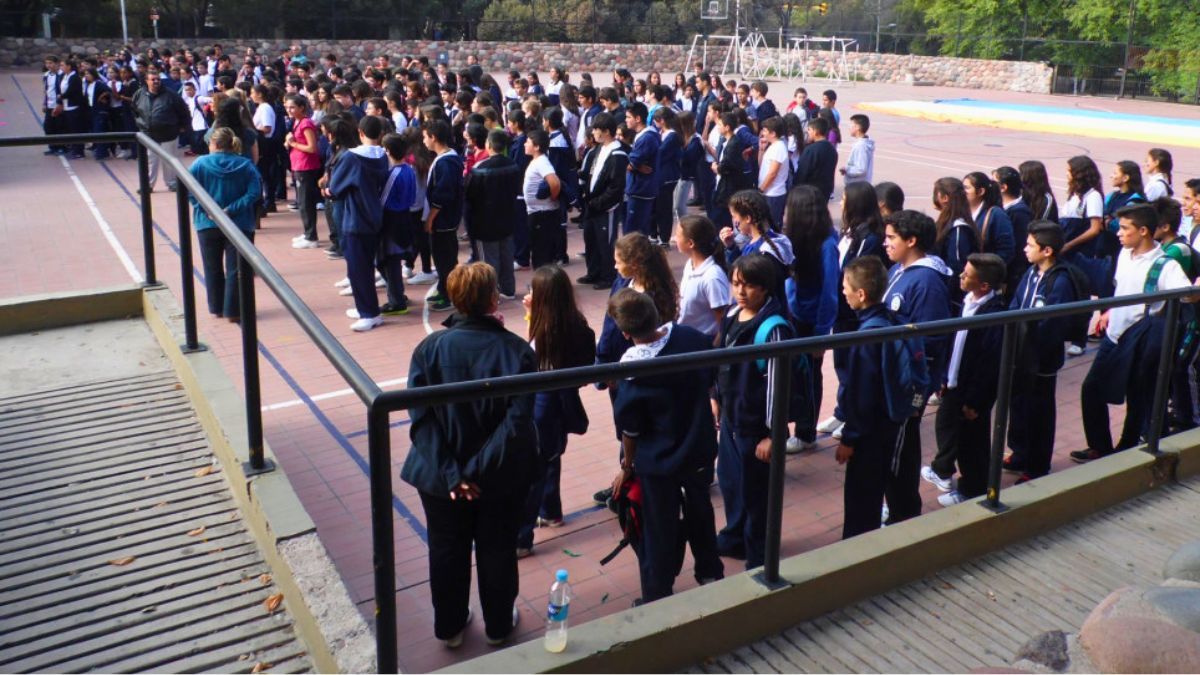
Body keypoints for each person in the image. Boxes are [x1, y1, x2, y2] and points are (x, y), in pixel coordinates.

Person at [401, 262, 538, 650]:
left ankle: (450, 626)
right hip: (498, 478)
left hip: (439, 478)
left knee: (446, 550)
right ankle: (497, 625)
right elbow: (516, 424)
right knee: (496, 548)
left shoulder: (428, 350)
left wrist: (452, 474)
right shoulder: (516, 352)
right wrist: (474, 472)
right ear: (493, 298)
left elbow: (420, 420)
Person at [608, 289, 724, 603]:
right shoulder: (691, 338)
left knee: (659, 528)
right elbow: (712, 373)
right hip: (698, 448)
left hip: (658, 463)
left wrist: (626, 467)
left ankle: (658, 592)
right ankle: (711, 572)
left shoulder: (632, 370)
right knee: (701, 512)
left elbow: (630, 429)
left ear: (625, 332)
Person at [1074, 204, 1192, 463]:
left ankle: (1128, 446)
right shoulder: (1124, 254)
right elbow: (1121, 288)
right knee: (1091, 388)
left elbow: (1187, 294)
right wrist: (1108, 312)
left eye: (1125, 229)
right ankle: (1100, 446)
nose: (1119, 233)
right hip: (1113, 337)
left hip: (1138, 340)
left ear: (1143, 231)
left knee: (1137, 396)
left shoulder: (1166, 266)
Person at [714, 253, 794, 569]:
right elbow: (721, 362)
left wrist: (773, 434)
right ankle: (735, 538)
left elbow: (777, 386)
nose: (741, 292)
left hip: (755, 429)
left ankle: (759, 556)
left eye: (748, 286)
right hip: (732, 420)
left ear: (765, 288)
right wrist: (715, 398)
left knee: (756, 495)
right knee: (732, 483)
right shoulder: (734, 315)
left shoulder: (774, 329)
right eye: (736, 284)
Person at [517, 266, 596, 556]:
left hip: (543, 403)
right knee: (551, 457)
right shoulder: (577, 324)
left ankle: (522, 537)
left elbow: (531, 356)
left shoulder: (547, 329)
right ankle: (551, 511)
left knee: (533, 469)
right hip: (564, 400)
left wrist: (530, 316)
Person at [882, 210, 952, 524]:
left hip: (911, 385)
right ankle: (897, 502)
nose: (886, 243)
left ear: (912, 241)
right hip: (898, 378)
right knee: (898, 439)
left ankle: (903, 510)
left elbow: (931, 340)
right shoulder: (901, 271)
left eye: (891, 238)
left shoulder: (926, 282)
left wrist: (916, 390)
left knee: (902, 442)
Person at [926, 253, 1007, 505]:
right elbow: (955, 343)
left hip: (971, 391)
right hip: (954, 381)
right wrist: (944, 376)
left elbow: (988, 364)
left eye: (967, 274)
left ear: (984, 285)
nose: (961, 276)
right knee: (953, 430)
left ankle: (973, 489)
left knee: (974, 442)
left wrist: (976, 401)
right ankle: (953, 474)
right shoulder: (966, 301)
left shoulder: (993, 316)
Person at [1005, 221, 1079, 482]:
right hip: (1020, 355)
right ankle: (1020, 452)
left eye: (1030, 245)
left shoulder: (1060, 282)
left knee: (1039, 412)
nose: (1025, 249)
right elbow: (1016, 304)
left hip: (1041, 360)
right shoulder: (1031, 273)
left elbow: (1053, 326)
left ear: (1047, 251)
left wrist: (1032, 347)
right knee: (1020, 406)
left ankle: (1037, 465)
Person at [836, 256, 903, 538]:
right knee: (874, 491)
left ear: (861, 294)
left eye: (845, 288)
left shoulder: (866, 337)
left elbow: (861, 395)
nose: (842, 292)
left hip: (868, 435)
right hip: (888, 423)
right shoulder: (890, 319)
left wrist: (849, 438)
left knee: (860, 502)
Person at [781, 185, 840, 453]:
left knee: (809, 377)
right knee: (789, 374)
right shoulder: (792, 238)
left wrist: (821, 333)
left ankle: (806, 433)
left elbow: (830, 292)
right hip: (792, 316)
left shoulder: (827, 244)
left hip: (810, 322)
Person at [189, 127, 262, 322]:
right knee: (237, 268)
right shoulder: (245, 165)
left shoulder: (199, 164)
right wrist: (231, 209)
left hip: (206, 223)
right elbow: (254, 193)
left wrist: (208, 210)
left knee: (212, 266)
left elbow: (190, 191)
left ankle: (217, 307)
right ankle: (234, 310)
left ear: (213, 144)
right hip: (239, 223)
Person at [328, 116, 389, 332]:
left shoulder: (352, 158)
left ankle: (370, 313)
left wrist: (329, 190)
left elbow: (335, 188)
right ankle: (366, 306)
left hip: (356, 218)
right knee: (365, 265)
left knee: (358, 267)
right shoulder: (383, 155)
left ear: (360, 132)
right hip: (375, 215)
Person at [466, 129, 522, 299]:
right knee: (506, 255)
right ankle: (508, 289)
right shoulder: (513, 165)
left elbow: (470, 195)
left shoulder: (480, 168)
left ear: (489, 145)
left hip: (485, 222)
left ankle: (489, 294)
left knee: (488, 261)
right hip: (507, 218)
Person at [578, 112, 629, 290]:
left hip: (606, 208)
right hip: (593, 205)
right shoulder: (599, 149)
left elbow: (615, 187)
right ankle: (594, 272)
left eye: (597, 130)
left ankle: (608, 276)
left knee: (605, 242)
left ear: (606, 132)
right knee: (591, 239)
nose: (594, 133)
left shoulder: (617, 154)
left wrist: (599, 202)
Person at [721, 189, 794, 306]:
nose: (734, 221)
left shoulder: (760, 252)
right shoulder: (774, 239)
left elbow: (740, 274)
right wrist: (731, 246)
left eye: (734, 216)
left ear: (748, 218)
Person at [423, 119, 466, 312]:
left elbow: (443, 194)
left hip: (445, 220)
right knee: (442, 257)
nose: (424, 140)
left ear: (434, 137)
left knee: (445, 258)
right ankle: (443, 288)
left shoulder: (446, 162)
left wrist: (431, 217)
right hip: (445, 218)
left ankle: (450, 295)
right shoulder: (446, 158)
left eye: (425, 137)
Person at [132, 68, 191, 191]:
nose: (156, 81)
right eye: (153, 79)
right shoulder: (139, 94)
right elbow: (134, 110)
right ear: (146, 81)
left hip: (169, 134)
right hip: (148, 135)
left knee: (169, 160)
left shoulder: (171, 95)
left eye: (158, 79)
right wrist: (141, 125)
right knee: (150, 161)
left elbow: (183, 111)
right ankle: (147, 185)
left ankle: (171, 183)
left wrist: (182, 127)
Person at [378, 132, 417, 317]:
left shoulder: (393, 174)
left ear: (388, 151)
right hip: (404, 217)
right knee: (390, 261)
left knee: (388, 261)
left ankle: (396, 301)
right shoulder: (409, 169)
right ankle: (397, 293)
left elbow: (383, 200)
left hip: (392, 220)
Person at [932, 177, 980, 307]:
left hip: (953, 297)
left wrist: (947, 295)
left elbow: (957, 267)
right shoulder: (946, 222)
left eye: (936, 193)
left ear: (944, 198)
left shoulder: (959, 228)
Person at [283, 95, 323, 249]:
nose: (289, 110)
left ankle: (311, 235)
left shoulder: (306, 123)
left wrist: (294, 143)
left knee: (306, 202)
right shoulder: (296, 122)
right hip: (298, 165)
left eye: (292, 107)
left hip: (306, 166)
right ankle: (307, 232)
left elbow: (312, 147)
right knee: (302, 201)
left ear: (301, 107)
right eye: (287, 107)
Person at [522, 129, 562, 269]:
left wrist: (552, 197)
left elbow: (554, 182)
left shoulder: (541, 162)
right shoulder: (538, 161)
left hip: (543, 214)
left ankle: (544, 287)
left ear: (537, 146)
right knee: (540, 253)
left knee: (542, 256)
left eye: (528, 142)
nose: (525, 144)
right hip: (538, 212)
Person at [994, 166, 1034, 296]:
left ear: (1003, 187)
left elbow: (1018, 249)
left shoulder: (1019, 213)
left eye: (993, 182)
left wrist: (1006, 278)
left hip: (1012, 276)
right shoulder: (1002, 208)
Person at [963, 171, 1015, 267]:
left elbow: (1006, 251)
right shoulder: (962, 212)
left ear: (981, 191)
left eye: (967, 188)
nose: (962, 191)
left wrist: (987, 269)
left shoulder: (996, 215)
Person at [624, 102, 660, 236]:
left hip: (640, 189)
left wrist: (633, 165)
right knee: (639, 229)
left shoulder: (646, 138)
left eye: (628, 117)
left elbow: (629, 165)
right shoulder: (645, 135)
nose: (626, 120)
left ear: (638, 119)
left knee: (633, 231)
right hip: (641, 188)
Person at [651, 107, 682, 247]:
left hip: (668, 176)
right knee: (656, 206)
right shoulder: (661, 133)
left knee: (664, 208)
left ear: (661, 121)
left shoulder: (672, 136)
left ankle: (664, 238)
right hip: (659, 175)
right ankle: (654, 234)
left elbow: (661, 152)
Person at [793, 116, 837, 202]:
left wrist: (795, 187)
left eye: (809, 129)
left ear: (815, 131)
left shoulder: (811, 150)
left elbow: (802, 172)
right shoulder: (832, 149)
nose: (807, 132)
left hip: (809, 193)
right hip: (825, 192)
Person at [757, 117, 790, 226]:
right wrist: (761, 149)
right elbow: (762, 166)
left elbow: (772, 173)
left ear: (773, 133)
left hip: (773, 194)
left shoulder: (778, 148)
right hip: (769, 192)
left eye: (765, 130)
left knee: (772, 225)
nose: (763, 133)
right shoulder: (772, 146)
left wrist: (761, 190)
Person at [840, 114, 874, 185]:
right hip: (857, 184)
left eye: (851, 125)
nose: (849, 128)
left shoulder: (861, 146)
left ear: (857, 127)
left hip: (857, 186)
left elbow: (861, 169)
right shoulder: (861, 144)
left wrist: (847, 170)